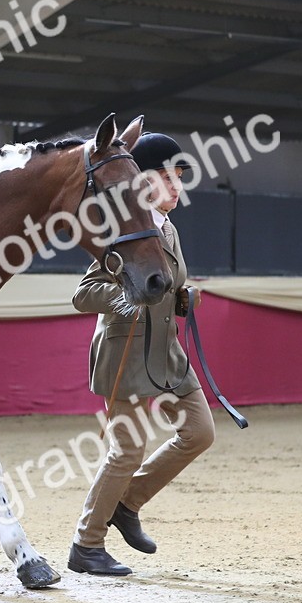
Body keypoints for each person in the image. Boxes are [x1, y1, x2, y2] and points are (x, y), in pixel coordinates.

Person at [67, 132, 215, 576]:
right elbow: (83, 293)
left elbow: (168, 284)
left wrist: (184, 296)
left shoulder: (169, 229)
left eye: (181, 178)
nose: (178, 187)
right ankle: (85, 544)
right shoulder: (126, 230)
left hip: (166, 355)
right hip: (125, 356)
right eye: (170, 178)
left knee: (200, 433)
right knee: (128, 451)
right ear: (145, 182)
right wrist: (125, 299)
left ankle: (127, 504)